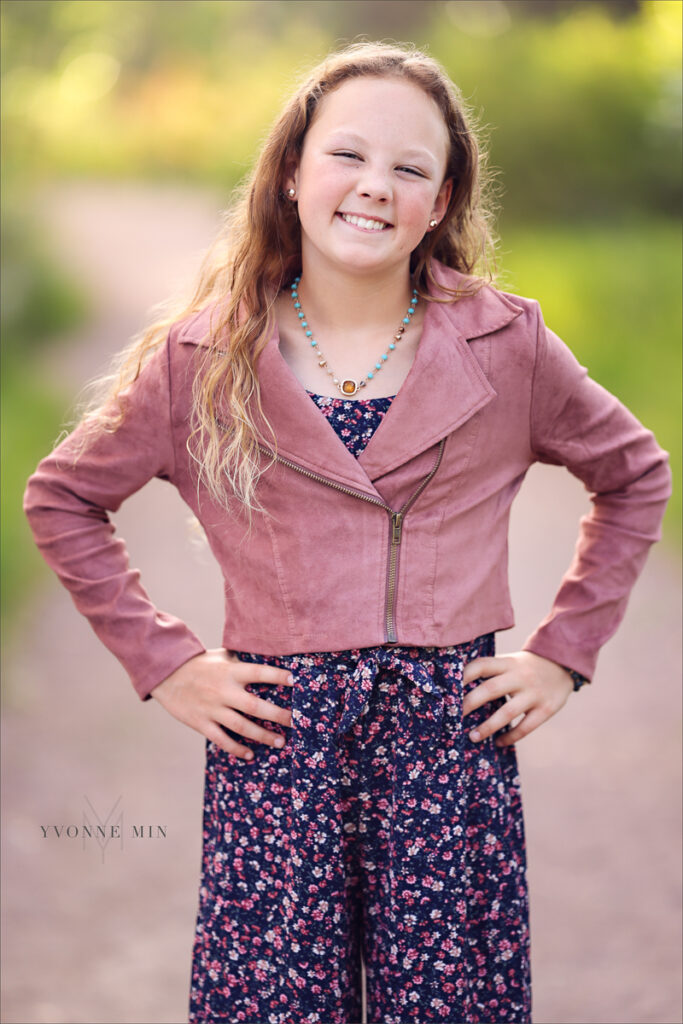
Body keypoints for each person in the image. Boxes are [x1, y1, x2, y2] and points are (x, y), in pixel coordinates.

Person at [24, 40, 671, 1024]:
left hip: (448, 756)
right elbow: (63, 498)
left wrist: (559, 652)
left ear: (443, 200)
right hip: (275, 748)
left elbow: (633, 472)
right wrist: (166, 661)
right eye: (347, 155)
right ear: (290, 172)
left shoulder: (507, 344)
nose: (375, 187)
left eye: (410, 168)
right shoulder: (201, 357)